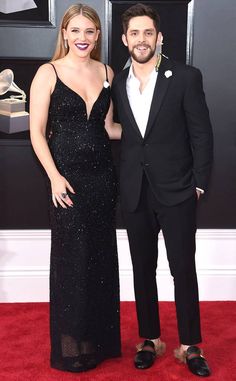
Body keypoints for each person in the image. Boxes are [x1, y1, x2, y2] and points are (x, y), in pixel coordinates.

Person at [111, 3, 213, 377]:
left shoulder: (185, 77)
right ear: (125, 40)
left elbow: (201, 133)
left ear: (160, 37)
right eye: (134, 33)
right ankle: (150, 339)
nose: (141, 40)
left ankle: (191, 345)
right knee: (142, 269)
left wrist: (198, 184)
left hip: (178, 191)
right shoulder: (117, 83)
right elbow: (126, 135)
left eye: (148, 32)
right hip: (135, 191)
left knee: (182, 267)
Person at [30, 3, 121, 373]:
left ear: (97, 35)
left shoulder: (107, 72)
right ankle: (73, 347)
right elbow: (36, 132)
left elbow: (110, 128)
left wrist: (157, 131)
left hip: (103, 178)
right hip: (66, 180)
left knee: (100, 261)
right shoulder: (47, 73)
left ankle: (98, 342)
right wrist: (53, 175)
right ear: (64, 33)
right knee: (73, 264)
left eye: (89, 31)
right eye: (75, 31)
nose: (82, 38)